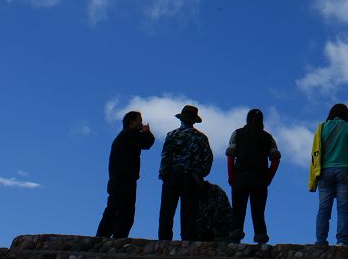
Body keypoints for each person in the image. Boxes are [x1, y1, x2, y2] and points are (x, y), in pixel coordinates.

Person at [308, 103, 348, 246]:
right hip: (345, 172)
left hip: (324, 172)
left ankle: (320, 241)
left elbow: (314, 153)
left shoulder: (321, 128)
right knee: (343, 209)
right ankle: (342, 241)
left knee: (323, 209)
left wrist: (313, 178)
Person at [158, 105, 213, 241]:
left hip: (172, 176)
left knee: (167, 211)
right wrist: (199, 174)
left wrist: (164, 174)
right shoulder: (201, 138)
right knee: (189, 212)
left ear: (182, 119)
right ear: (194, 120)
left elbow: (165, 157)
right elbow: (207, 159)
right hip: (191, 178)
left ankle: (164, 240)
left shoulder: (172, 135)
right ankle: (187, 241)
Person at [225, 108, 281, 244]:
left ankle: (235, 238)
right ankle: (261, 238)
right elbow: (275, 159)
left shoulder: (237, 134)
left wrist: (231, 176)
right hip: (260, 179)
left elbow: (230, 156)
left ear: (247, 119)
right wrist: (268, 178)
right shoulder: (268, 137)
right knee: (258, 212)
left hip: (240, 177)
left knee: (238, 210)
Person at [96, 111, 155, 238]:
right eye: (139, 120)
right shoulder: (130, 135)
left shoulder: (123, 136)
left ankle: (103, 237)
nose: (141, 123)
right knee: (125, 212)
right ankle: (117, 239)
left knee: (114, 209)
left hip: (117, 180)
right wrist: (147, 132)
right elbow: (147, 142)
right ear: (132, 122)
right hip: (124, 180)